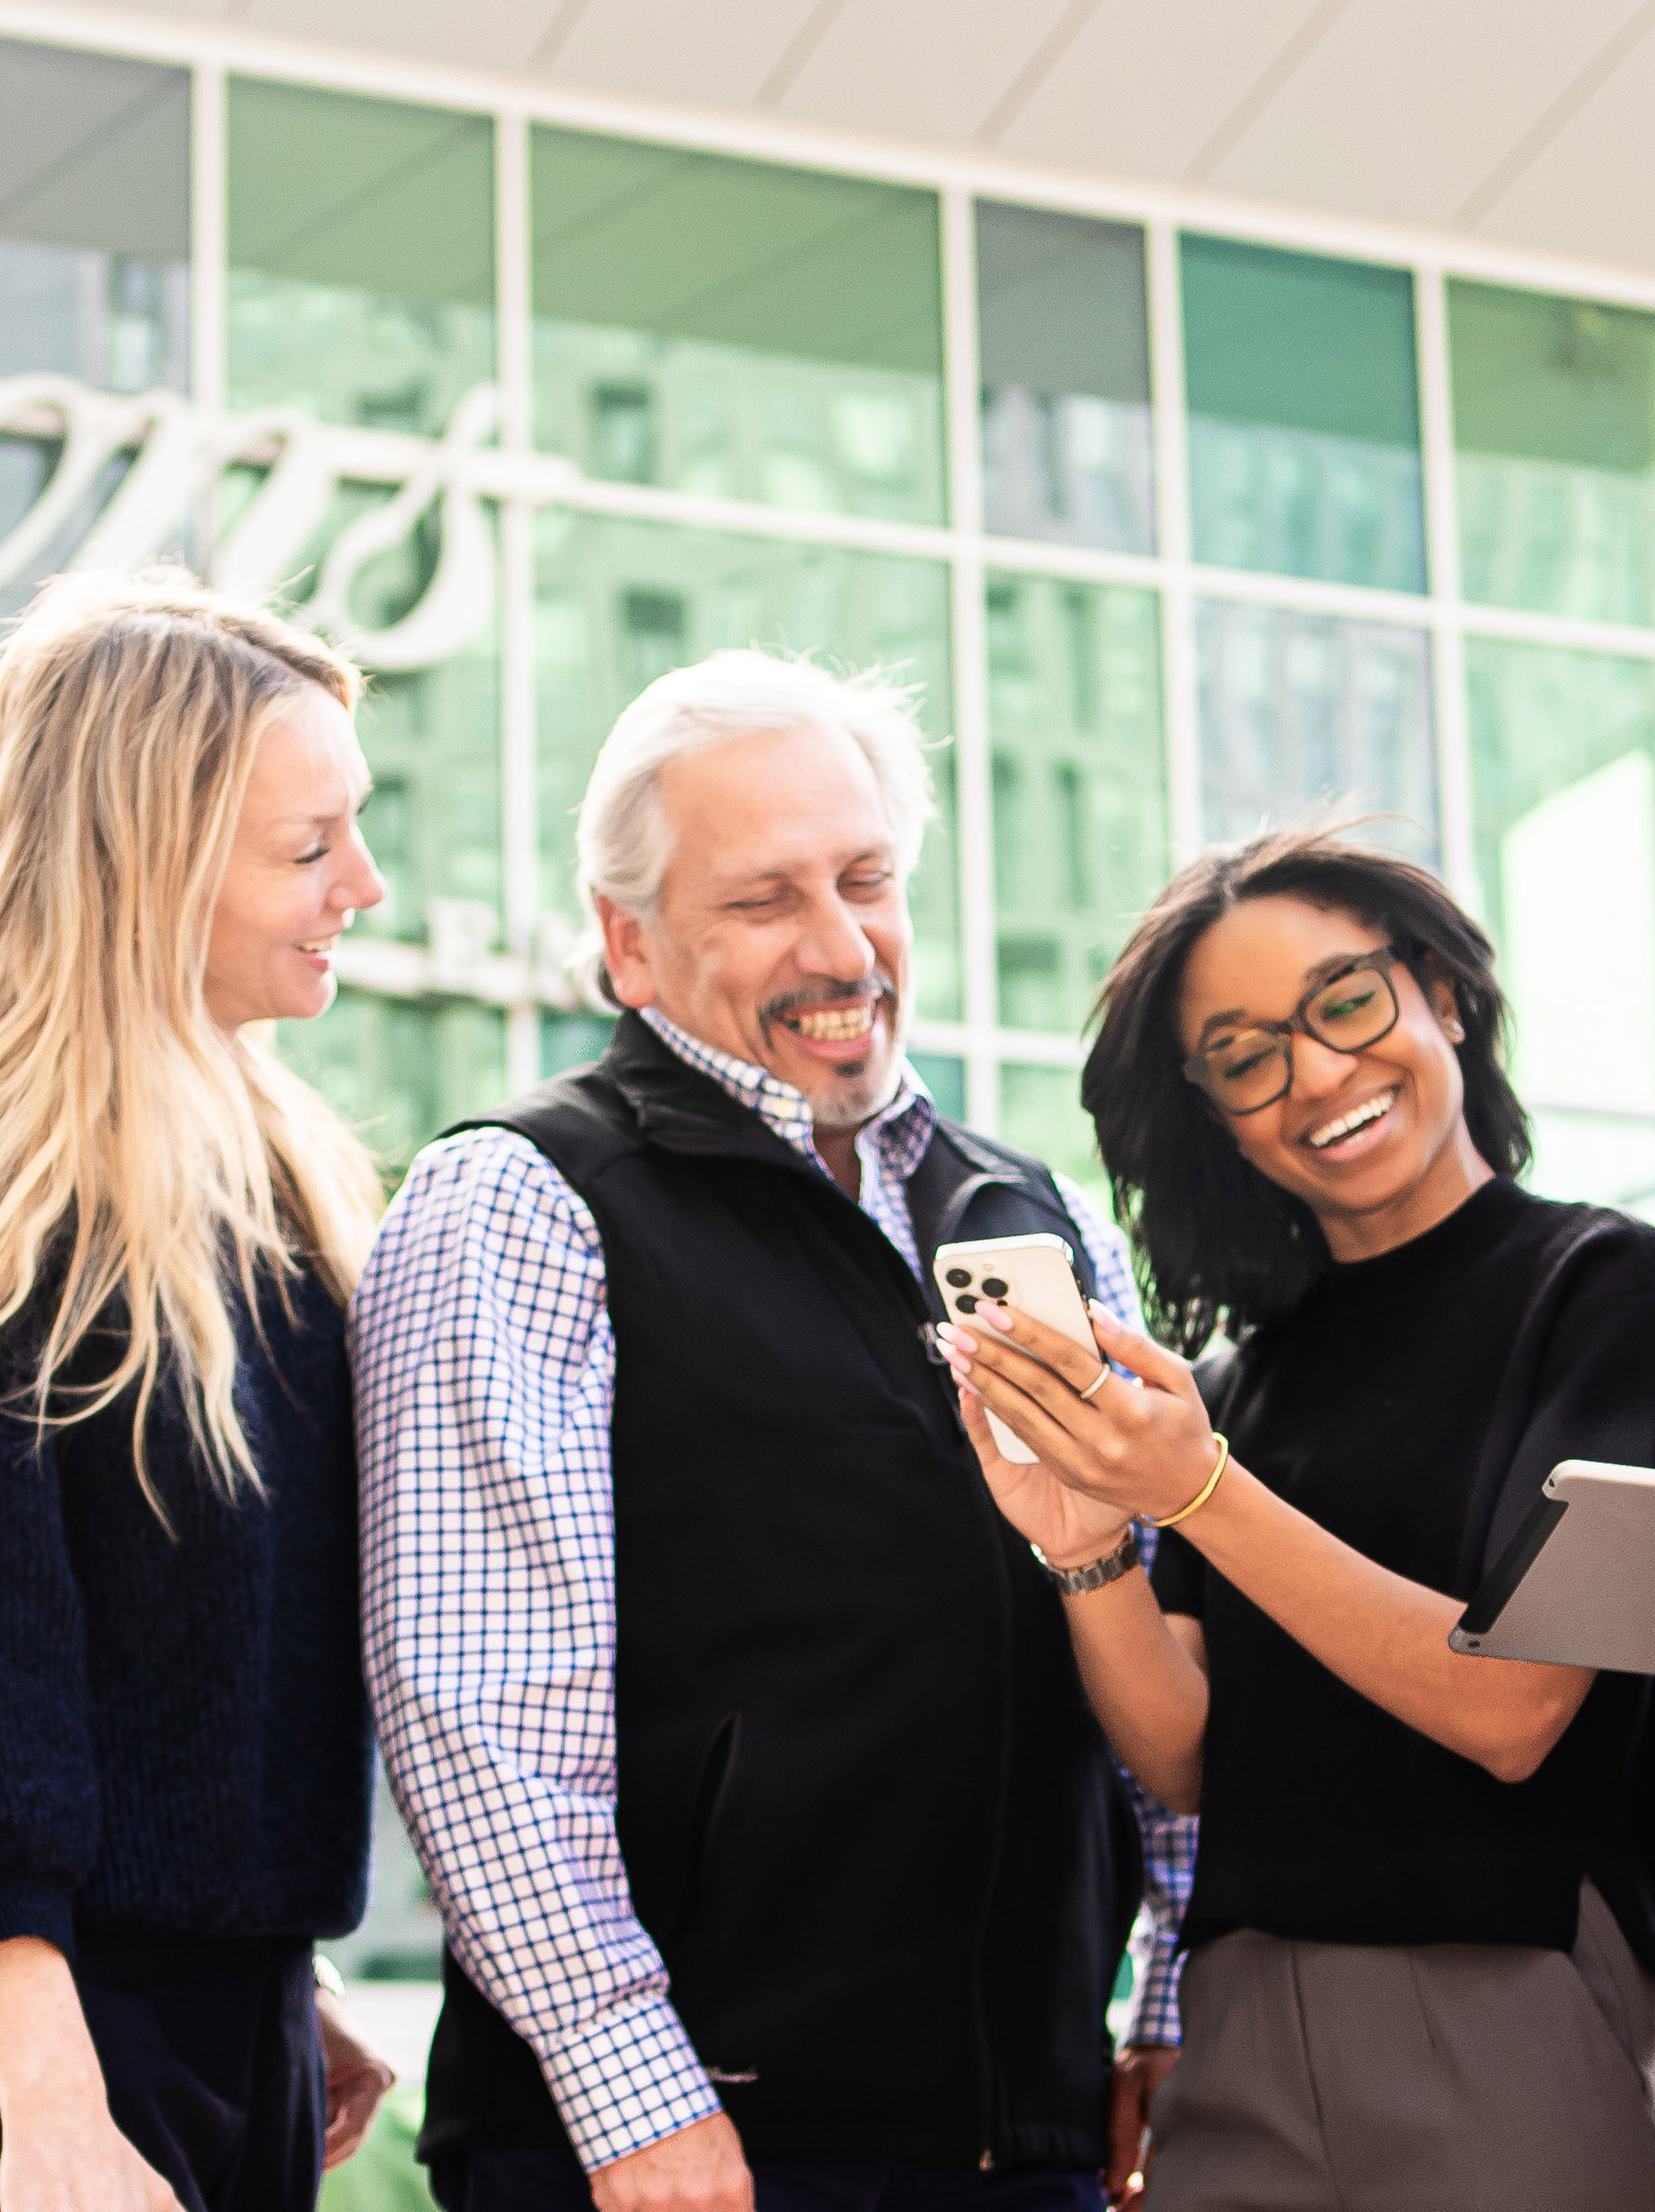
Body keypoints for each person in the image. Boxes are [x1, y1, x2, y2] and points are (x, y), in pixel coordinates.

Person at [359, 652, 1161, 2212]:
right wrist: (628, 2093)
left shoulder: (1033, 1216)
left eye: (866, 878)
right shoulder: (521, 1196)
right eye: (763, 900)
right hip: (672, 2154)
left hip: (1031, 2144)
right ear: (628, 945)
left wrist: (1172, 2011)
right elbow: (473, 1706)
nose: (841, 944)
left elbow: (1157, 1612)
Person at [942, 825, 1655, 2212]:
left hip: (1513, 1993)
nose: (1314, 1077)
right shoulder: (1237, 1379)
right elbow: (1180, 1755)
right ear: (1214, 1114)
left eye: (1344, 1003)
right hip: (1239, 2023)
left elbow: (1519, 1704)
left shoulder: (1606, 1288)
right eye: (1242, 1057)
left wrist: (1195, 1490)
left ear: (1441, 994)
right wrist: (1084, 1538)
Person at [0, 571, 411, 2212]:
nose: (364, 883)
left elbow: (181, 1664)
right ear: (144, 863)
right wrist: (55, 2105)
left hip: (223, 2005)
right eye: (307, 847)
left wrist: (278, 1972)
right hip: (24, 2051)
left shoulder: (277, 1173)